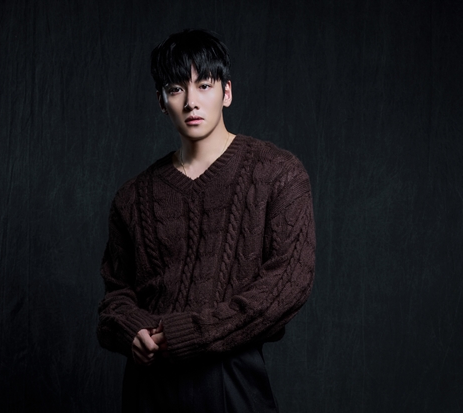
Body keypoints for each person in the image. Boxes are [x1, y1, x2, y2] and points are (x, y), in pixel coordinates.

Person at [97, 29, 315, 412]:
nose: (191, 102)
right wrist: (132, 330)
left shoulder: (278, 173)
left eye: (204, 85)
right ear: (162, 102)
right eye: (176, 89)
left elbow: (288, 284)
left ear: (226, 92)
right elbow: (116, 294)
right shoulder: (132, 197)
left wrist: (191, 334)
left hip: (231, 376)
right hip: (150, 384)